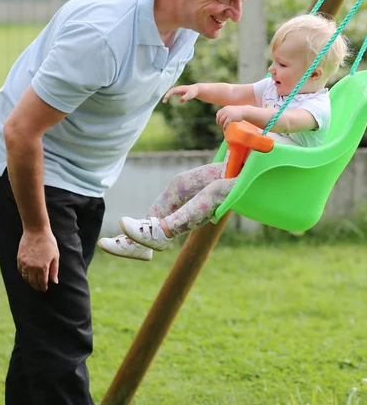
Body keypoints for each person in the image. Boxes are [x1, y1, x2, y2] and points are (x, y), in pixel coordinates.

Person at [0, 0, 360, 405]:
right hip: (30, 175)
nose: (236, 14)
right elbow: (20, 132)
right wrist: (34, 231)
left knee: (43, 331)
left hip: (87, 179)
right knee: (63, 336)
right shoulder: (104, 34)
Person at [98, 13, 350, 260]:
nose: (272, 70)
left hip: (277, 181)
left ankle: (164, 232)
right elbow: (232, 92)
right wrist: (199, 89)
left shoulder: (317, 108)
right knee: (181, 181)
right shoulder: (275, 88)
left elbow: (286, 122)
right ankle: (139, 242)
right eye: (273, 61)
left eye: (282, 65)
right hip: (248, 169)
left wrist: (245, 113)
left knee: (216, 190)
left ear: (314, 74)